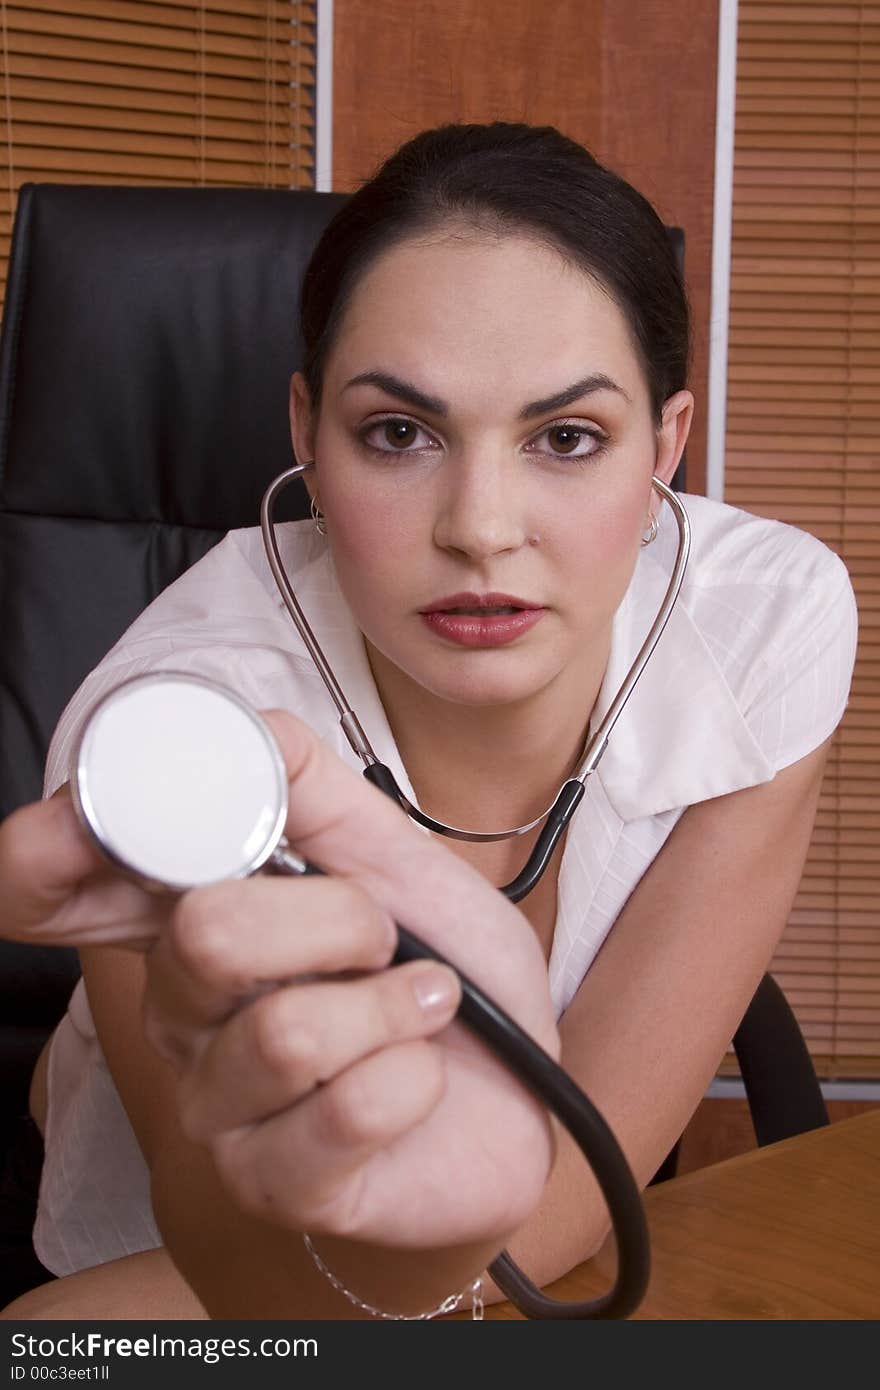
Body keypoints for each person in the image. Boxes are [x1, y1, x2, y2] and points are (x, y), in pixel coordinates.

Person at [0, 121, 857, 1320]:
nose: (482, 527)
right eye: (399, 433)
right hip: (198, 1261)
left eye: (566, 437)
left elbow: (573, 1198)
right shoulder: (181, 734)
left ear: (665, 446)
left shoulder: (765, 626)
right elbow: (257, 1278)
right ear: (306, 432)